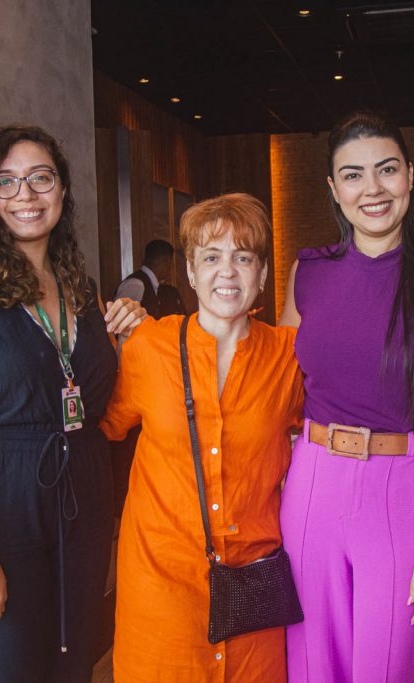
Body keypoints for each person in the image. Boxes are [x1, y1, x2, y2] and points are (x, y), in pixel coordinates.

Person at [0, 124, 143, 683]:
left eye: (41, 178)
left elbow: (98, 396)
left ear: (62, 190)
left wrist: (128, 335)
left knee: (73, 672)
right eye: (6, 182)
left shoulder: (79, 287)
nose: (26, 195)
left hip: (77, 515)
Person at [278, 111, 414, 682]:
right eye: (353, 175)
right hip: (312, 485)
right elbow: (274, 380)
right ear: (333, 190)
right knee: (312, 666)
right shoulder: (308, 273)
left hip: (404, 489)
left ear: (410, 176)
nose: (372, 189)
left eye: (386, 170)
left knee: (391, 666)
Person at [100, 193, 305, 681]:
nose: (227, 272)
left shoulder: (289, 357)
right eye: (211, 258)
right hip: (161, 586)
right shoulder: (148, 347)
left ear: (261, 273)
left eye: (243, 257)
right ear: (189, 273)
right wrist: (105, 341)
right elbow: (102, 428)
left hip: (253, 585)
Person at [110, 239, 185, 518]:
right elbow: (120, 334)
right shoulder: (136, 285)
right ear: (162, 261)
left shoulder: (164, 291)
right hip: (135, 379)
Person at [114, 238, 185, 318]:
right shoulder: (135, 284)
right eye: (170, 263)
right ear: (164, 261)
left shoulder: (157, 287)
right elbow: (120, 319)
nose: (171, 268)